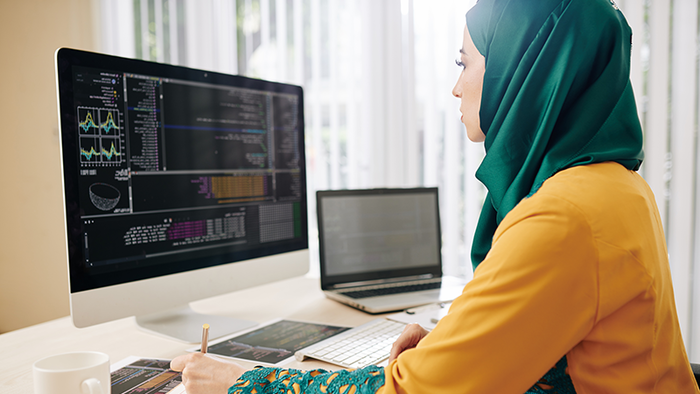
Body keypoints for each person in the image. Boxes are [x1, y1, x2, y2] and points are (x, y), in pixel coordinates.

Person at [171, 0, 700, 392]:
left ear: (526, 69)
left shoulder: (563, 216)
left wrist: (240, 384)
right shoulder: (615, 185)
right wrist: (459, 344)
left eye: (464, 63)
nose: (456, 87)